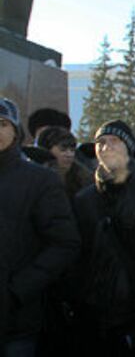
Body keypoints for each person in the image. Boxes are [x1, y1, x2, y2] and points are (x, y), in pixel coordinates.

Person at [72, 120, 135, 356]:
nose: (106, 147)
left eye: (115, 141)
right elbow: (77, 256)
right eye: (100, 142)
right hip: (93, 314)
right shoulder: (84, 199)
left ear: (129, 148)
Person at [0, 97, 80, 356]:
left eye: (2, 123)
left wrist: (17, 291)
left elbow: (65, 244)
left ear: (15, 131)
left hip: (15, 321)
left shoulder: (39, 180)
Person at [37, 126, 91, 199]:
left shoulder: (84, 179)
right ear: (48, 151)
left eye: (72, 150)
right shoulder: (35, 179)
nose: (69, 155)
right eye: (63, 149)